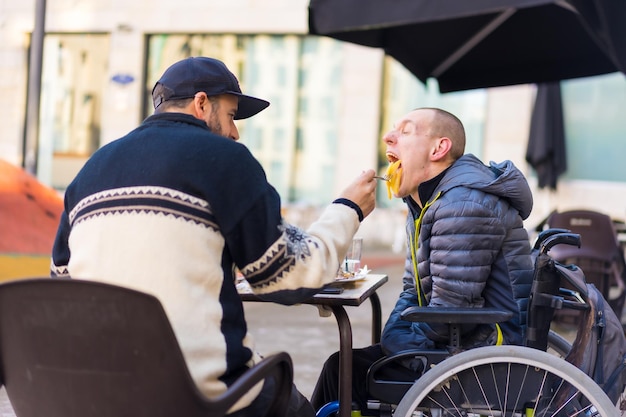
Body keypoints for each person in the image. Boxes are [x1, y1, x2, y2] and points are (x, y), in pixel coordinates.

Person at [51, 56, 377, 417]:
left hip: (94, 387)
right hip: (197, 391)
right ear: (202, 103)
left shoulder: (91, 169)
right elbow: (289, 277)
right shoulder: (226, 159)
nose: (236, 132)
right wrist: (349, 208)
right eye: (232, 115)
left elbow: (63, 282)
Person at [311, 107, 534, 415]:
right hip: (458, 342)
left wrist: (397, 344)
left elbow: (449, 313)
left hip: (484, 357)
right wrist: (395, 339)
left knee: (344, 370)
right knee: (343, 365)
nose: (387, 137)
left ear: (438, 149)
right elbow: (411, 290)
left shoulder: (462, 204)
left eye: (405, 131)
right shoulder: (426, 202)